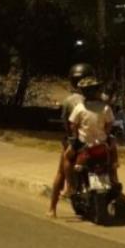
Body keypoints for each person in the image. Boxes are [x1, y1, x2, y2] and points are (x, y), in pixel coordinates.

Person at [47, 63, 89, 218]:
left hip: (77, 141)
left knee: (61, 171)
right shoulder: (101, 98)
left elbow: (66, 123)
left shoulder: (70, 101)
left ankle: (53, 207)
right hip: (97, 140)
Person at [66, 74, 117, 190]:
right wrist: (106, 134)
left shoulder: (79, 108)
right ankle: (114, 178)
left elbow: (73, 125)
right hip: (102, 142)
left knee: (67, 156)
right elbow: (110, 124)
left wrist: (75, 136)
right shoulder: (105, 108)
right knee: (112, 152)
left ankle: (69, 185)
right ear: (97, 91)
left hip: (83, 143)